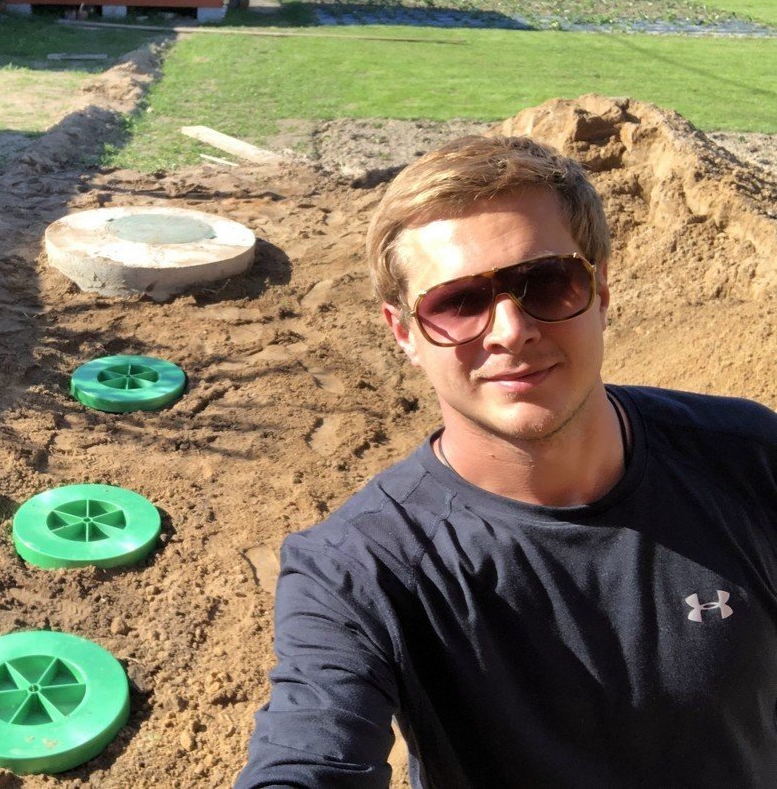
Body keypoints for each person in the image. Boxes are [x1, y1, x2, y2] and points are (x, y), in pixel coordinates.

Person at [237, 135, 777, 788]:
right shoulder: (359, 570)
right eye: (458, 301)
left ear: (601, 288)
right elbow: (308, 756)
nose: (511, 330)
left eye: (546, 281)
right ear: (405, 332)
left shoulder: (748, 459)